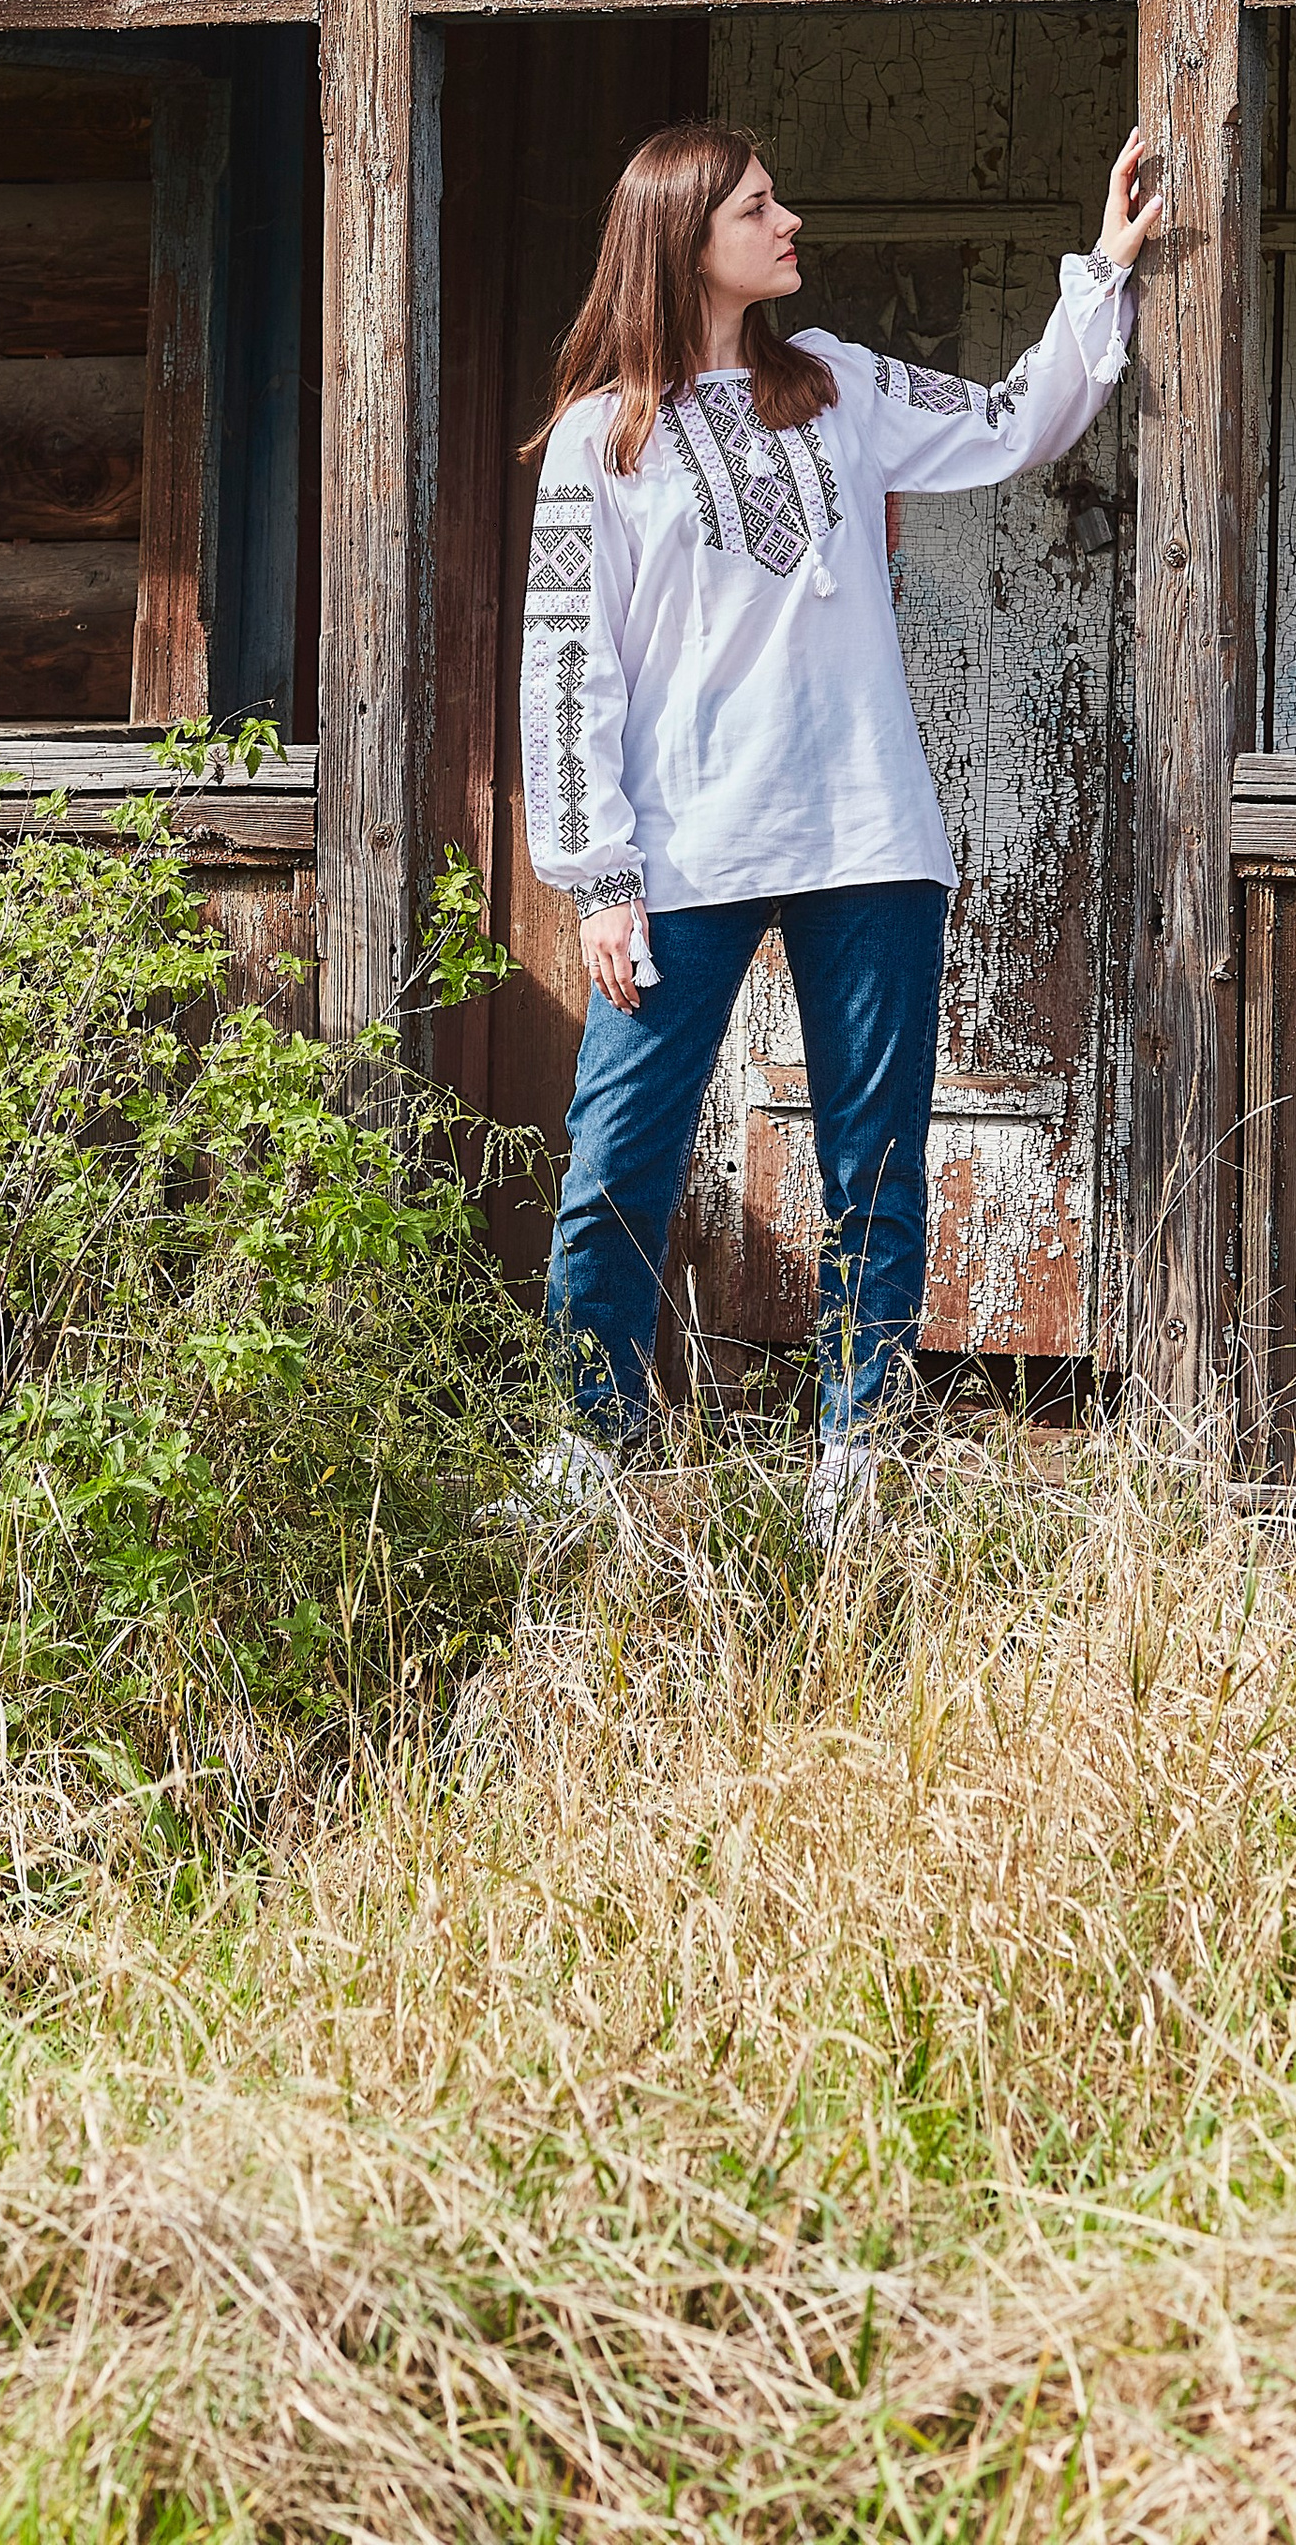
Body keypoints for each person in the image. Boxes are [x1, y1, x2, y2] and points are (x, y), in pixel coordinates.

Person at [515, 114, 1161, 1534]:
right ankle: (590, 1439)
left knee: (873, 1158)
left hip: (867, 833)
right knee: (618, 1153)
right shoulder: (598, 440)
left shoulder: (842, 391)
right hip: (684, 850)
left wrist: (1101, 272)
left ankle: (855, 1451)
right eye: (759, 206)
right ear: (688, 239)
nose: (788, 220)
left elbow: (1009, 426)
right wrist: (599, 873)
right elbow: (570, 661)